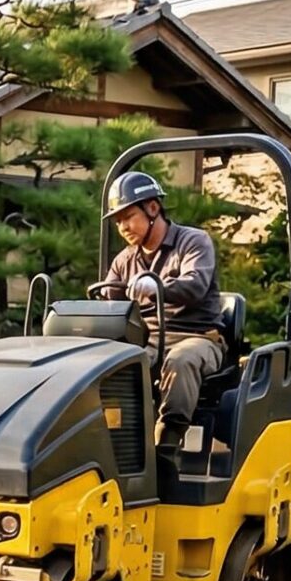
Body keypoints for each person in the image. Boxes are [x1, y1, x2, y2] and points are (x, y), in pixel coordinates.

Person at [100, 170, 225, 450]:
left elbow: (195, 286)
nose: (123, 227)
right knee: (110, 365)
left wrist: (156, 286)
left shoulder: (193, 241)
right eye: (118, 221)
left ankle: (165, 448)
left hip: (198, 337)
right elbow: (110, 303)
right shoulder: (124, 260)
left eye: (128, 216)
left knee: (181, 361)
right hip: (149, 339)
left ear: (153, 208)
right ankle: (115, 445)